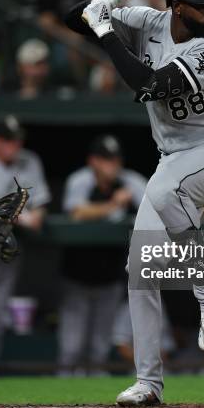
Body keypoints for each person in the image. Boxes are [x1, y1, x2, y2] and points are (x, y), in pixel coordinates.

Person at [67, 0, 204, 405]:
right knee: (140, 269)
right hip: (173, 159)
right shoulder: (149, 22)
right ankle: (148, 383)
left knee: (163, 191)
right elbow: (71, 18)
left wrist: (105, 31)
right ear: (175, 5)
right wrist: (101, 3)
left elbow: (149, 85)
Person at [59, 135, 147, 374]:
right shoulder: (81, 180)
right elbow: (75, 213)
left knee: (99, 348)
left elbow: (155, 205)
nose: (112, 165)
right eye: (105, 159)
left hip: (110, 277)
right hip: (77, 276)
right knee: (71, 348)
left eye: (115, 159)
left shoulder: (130, 181)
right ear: (93, 161)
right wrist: (112, 206)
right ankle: (59, 403)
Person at [0, 115, 51, 374]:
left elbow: (39, 204)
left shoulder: (30, 161)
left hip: (7, 252)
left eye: (16, 140)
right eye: (7, 140)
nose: (13, 146)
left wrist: (33, 217)